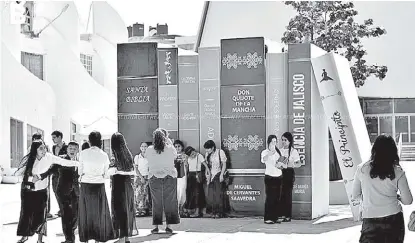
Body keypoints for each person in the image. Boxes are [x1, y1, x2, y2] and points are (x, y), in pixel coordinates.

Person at [14, 140, 79, 243]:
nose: (44, 150)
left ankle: (40, 239)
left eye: (44, 147)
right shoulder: (29, 159)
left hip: (43, 191)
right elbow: (17, 173)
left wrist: (79, 163)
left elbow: (64, 162)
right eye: (41, 148)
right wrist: (31, 178)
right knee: (26, 215)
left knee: (41, 217)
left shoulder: (49, 157)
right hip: (28, 191)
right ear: (35, 150)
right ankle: (25, 236)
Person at [352, 135, 413, 243]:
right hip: (394, 218)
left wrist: (369, 197)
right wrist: (397, 197)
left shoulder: (362, 169)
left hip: (370, 219)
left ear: (374, 149)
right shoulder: (398, 171)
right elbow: (408, 201)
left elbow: (355, 195)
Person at [36, 141, 80, 243]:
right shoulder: (61, 159)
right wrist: (39, 177)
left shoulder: (80, 161)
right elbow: (50, 170)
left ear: (78, 150)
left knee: (75, 216)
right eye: (70, 148)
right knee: (66, 215)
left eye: (74, 149)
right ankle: (69, 239)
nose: (72, 151)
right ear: (67, 149)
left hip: (76, 192)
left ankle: (71, 232)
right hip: (63, 192)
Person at [77, 131, 115, 243]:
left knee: (85, 212)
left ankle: (85, 238)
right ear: (100, 141)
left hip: (85, 185)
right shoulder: (104, 155)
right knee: (99, 212)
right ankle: (98, 239)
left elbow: (80, 171)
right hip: (99, 185)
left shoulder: (83, 153)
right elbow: (105, 173)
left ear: (89, 141)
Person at [147, 128, 180, 234]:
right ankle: (169, 226)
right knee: (170, 201)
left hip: (154, 177)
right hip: (169, 176)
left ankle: (156, 226)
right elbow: (175, 156)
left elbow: (149, 159)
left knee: (156, 202)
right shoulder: (170, 148)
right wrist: (168, 141)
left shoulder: (149, 149)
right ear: (164, 138)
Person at [109, 132, 139, 243]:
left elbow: (112, 171)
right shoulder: (128, 154)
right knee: (128, 210)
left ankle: (121, 237)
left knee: (119, 210)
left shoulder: (114, 156)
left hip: (118, 185)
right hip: (128, 185)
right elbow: (132, 171)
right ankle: (126, 237)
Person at [261, 135, 284, 224]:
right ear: (269, 142)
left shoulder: (278, 152)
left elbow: (281, 162)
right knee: (270, 197)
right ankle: (268, 218)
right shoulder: (265, 152)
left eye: (275, 142)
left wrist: (281, 164)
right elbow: (263, 160)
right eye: (272, 142)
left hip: (278, 175)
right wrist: (269, 153)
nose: (274, 143)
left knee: (277, 197)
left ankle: (275, 217)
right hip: (269, 176)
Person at [280, 132, 301, 222]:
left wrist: (291, 164)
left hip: (288, 173)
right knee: (280, 194)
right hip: (280, 173)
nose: (283, 142)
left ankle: (287, 215)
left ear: (289, 141)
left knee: (287, 194)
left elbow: (299, 164)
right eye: (282, 140)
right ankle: (280, 214)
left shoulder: (293, 151)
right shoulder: (279, 150)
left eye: (285, 140)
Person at [203, 140, 227, 218]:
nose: (206, 150)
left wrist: (221, 175)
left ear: (212, 147)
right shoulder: (207, 154)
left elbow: (224, 164)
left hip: (218, 173)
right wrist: (207, 176)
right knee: (211, 195)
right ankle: (213, 212)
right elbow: (207, 166)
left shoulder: (220, 152)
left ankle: (219, 213)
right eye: (206, 149)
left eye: (208, 148)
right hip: (211, 175)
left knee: (218, 195)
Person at [184, 146, 208, 218]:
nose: (193, 155)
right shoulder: (188, 158)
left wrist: (208, 173)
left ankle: (198, 212)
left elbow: (205, 165)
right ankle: (190, 210)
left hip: (197, 175)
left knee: (197, 194)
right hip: (190, 176)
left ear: (194, 150)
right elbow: (187, 167)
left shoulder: (199, 156)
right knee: (190, 194)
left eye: (193, 153)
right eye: (191, 154)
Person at [51, 130, 68, 217]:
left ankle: (64, 209)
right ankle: (61, 208)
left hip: (64, 173)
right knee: (55, 191)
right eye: (52, 138)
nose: (52, 139)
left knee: (63, 192)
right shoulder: (53, 147)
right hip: (55, 172)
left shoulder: (68, 147)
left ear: (60, 137)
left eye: (54, 137)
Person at [134, 142, 151, 216]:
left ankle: (145, 210)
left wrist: (148, 178)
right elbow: (136, 169)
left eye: (145, 146)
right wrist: (141, 177)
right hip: (139, 177)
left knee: (146, 194)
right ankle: (138, 210)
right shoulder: (137, 157)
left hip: (147, 176)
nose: (144, 148)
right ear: (140, 148)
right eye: (142, 146)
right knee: (138, 194)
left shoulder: (150, 157)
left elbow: (151, 168)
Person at [173, 140, 188, 217]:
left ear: (182, 147)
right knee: (176, 192)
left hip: (183, 176)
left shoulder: (185, 156)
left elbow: (187, 166)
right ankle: (176, 210)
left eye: (179, 146)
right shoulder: (172, 155)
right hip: (175, 176)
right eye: (175, 146)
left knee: (183, 191)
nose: (177, 148)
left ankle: (182, 209)